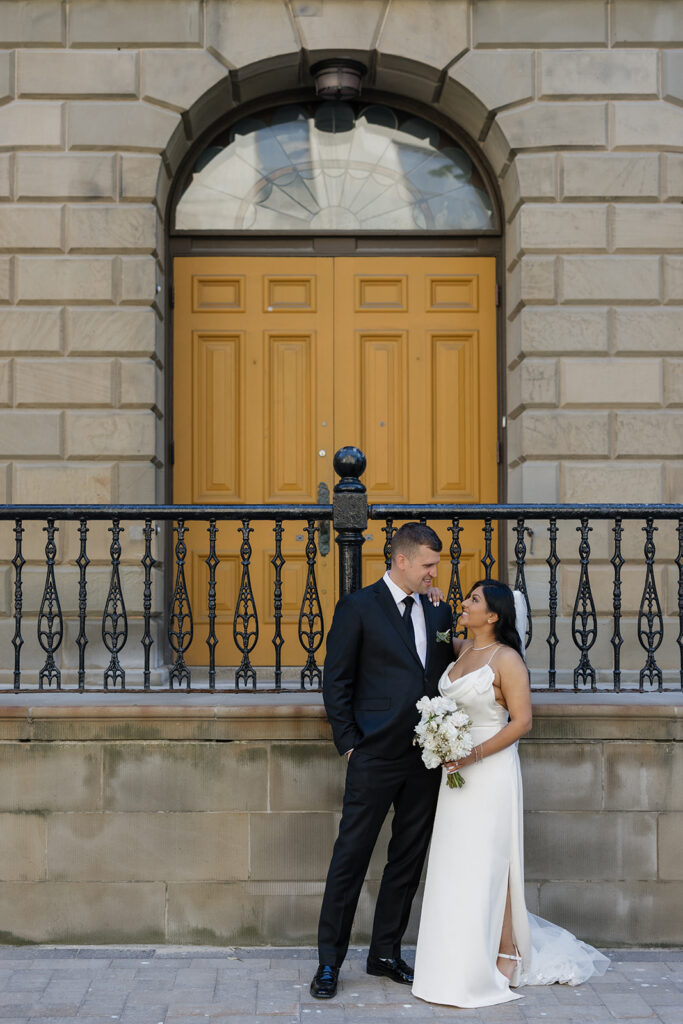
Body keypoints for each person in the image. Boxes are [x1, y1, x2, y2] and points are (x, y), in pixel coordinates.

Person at [412, 579, 609, 1008]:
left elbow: (521, 722)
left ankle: (505, 953)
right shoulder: (463, 650)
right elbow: (438, 635)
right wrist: (435, 605)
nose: (466, 603)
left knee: (493, 862)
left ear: (495, 615)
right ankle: (456, 957)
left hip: (489, 769)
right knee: (457, 863)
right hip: (455, 770)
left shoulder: (507, 660)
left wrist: (472, 754)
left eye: (474, 600)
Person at [310, 522, 455, 1000]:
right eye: (429, 565)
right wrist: (350, 742)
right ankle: (329, 962)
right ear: (402, 561)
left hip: (423, 758)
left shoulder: (438, 611)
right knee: (350, 858)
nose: (435, 573)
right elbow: (338, 681)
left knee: (406, 860)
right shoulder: (358, 607)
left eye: (437, 565)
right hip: (373, 755)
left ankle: (385, 953)